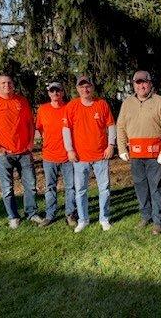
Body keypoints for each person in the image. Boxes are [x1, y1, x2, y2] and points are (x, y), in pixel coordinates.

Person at [0, 73, 43, 229]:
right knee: (7, 188)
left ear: (13, 85)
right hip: (4, 154)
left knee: (31, 186)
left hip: (24, 153)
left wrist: (30, 143)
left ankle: (32, 213)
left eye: (9, 82)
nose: (6, 85)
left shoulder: (21, 101)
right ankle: (13, 217)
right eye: (3, 83)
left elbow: (30, 124)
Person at [116, 70, 161, 235]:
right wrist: (121, 148)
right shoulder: (127, 103)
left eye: (144, 82)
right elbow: (121, 127)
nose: (141, 85)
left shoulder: (160, 102)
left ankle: (158, 220)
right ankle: (146, 215)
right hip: (135, 155)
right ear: (133, 84)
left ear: (150, 83)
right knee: (141, 187)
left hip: (155, 155)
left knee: (156, 188)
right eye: (137, 82)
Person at [63, 76, 116, 233]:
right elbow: (66, 130)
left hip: (101, 155)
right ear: (77, 89)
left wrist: (111, 145)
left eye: (88, 86)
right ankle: (83, 219)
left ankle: (104, 219)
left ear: (92, 88)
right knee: (80, 190)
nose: (85, 90)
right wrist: (69, 150)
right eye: (81, 87)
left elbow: (111, 125)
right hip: (80, 157)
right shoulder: (72, 106)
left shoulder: (101, 104)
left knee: (104, 189)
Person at [35, 82, 77, 227]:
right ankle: (50, 215)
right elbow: (40, 128)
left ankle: (70, 214)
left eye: (58, 90)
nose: (55, 93)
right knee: (50, 187)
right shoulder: (43, 109)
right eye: (52, 91)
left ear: (62, 92)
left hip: (67, 157)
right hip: (49, 156)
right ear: (49, 93)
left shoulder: (69, 108)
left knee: (70, 187)